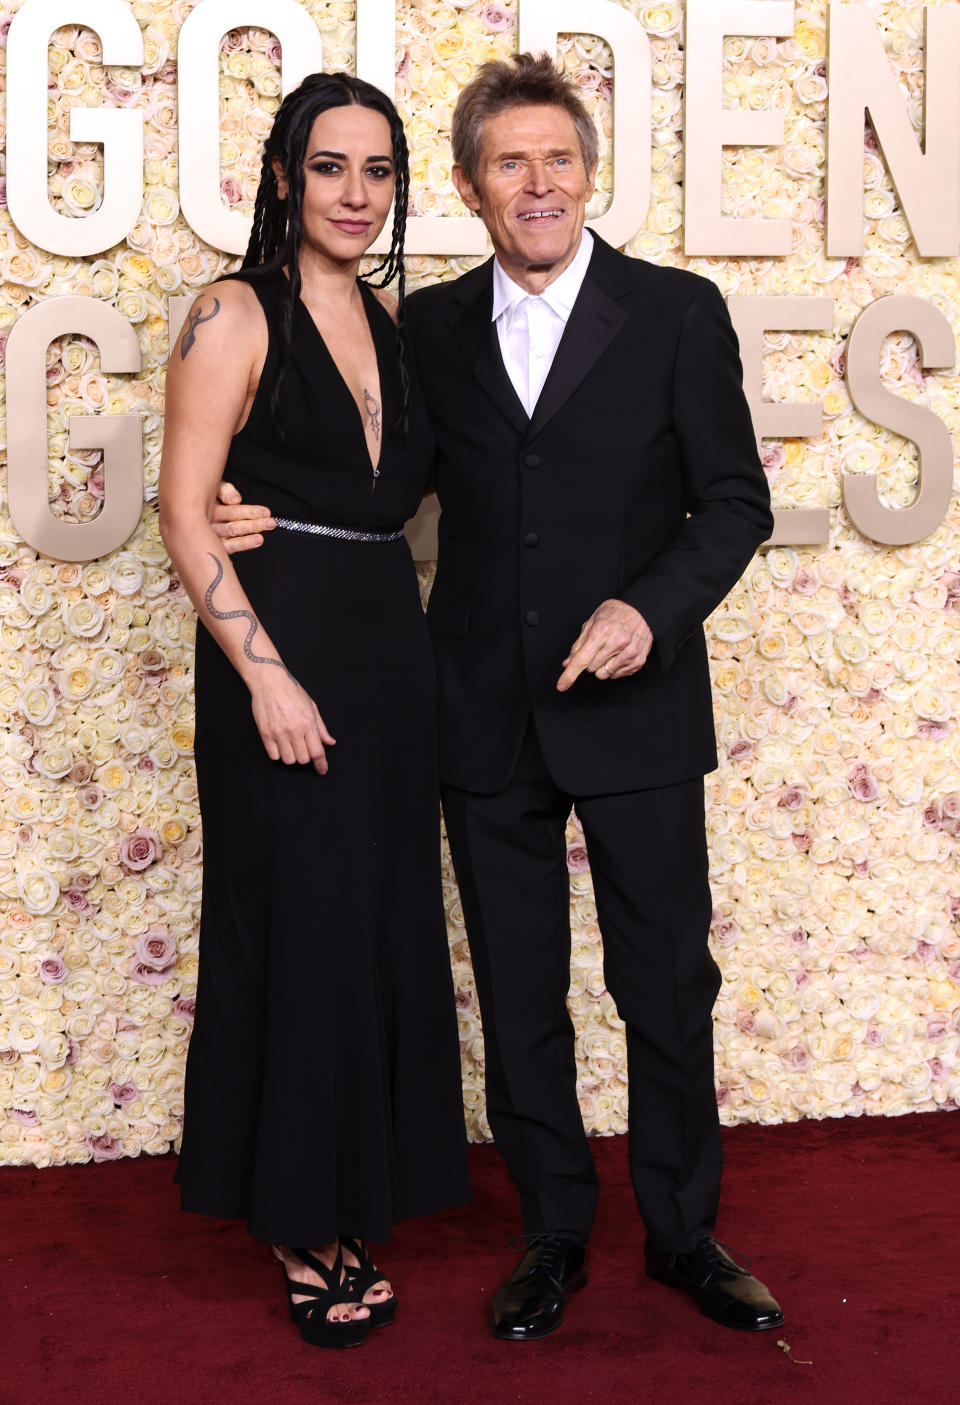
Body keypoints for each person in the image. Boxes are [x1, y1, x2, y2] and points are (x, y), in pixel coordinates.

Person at [215, 53, 784, 1341]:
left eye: (558, 159)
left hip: (634, 708)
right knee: (519, 988)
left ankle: (685, 1232)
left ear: (590, 173)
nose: (538, 184)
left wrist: (651, 605)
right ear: (471, 187)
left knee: (665, 980)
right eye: (508, 163)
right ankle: (554, 1231)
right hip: (473, 707)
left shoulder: (679, 312)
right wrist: (260, 512)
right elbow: (366, 476)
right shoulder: (424, 330)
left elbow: (736, 500)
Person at [158, 72, 470, 1351]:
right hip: (277, 664)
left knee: (378, 924)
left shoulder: (399, 322)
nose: (356, 193)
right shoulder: (231, 312)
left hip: (389, 657)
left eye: (379, 170)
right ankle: (300, 1217)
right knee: (294, 927)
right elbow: (186, 509)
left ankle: (361, 1187)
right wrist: (266, 671)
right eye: (330, 166)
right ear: (284, 175)